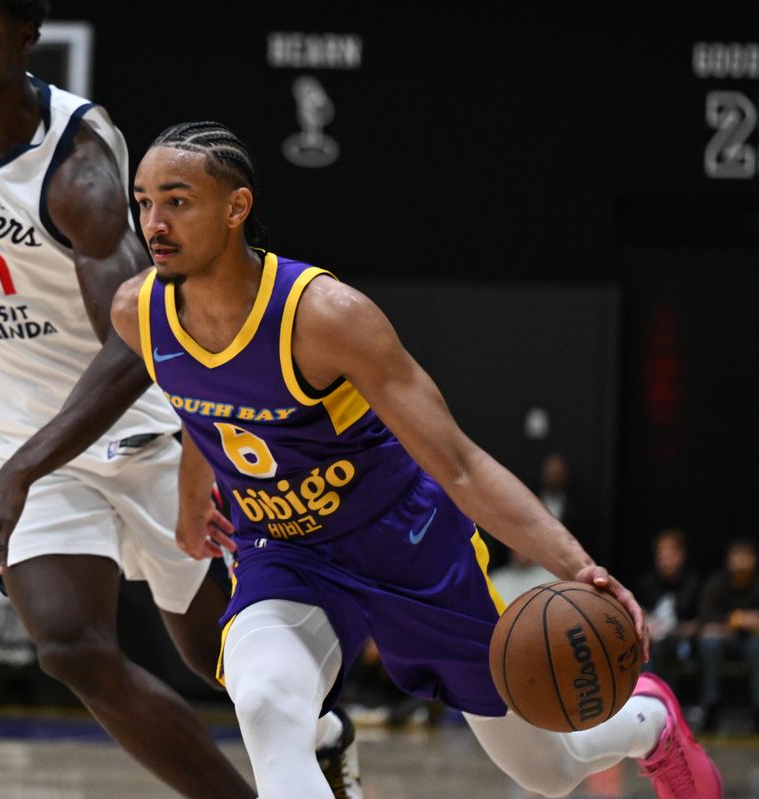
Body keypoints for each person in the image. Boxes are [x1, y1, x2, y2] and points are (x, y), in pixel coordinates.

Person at [0, 3, 358, 797]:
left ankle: (322, 730)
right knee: (70, 648)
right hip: (27, 443)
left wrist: (15, 476)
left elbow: (135, 348)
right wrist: (22, 466)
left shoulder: (78, 171)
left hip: (141, 433)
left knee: (211, 652)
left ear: (25, 39)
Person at [104, 119, 722, 799]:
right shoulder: (140, 311)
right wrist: (195, 498)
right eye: (142, 201)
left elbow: (459, 464)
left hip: (407, 545)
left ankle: (649, 718)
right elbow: (201, 403)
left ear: (236, 207)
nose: (153, 222)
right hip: (285, 549)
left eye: (176, 200)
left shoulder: (326, 317)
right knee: (265, 708)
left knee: (548, 769)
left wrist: (579, 567)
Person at [696, 537, 759, 733]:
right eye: (736, 556)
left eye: (745, 557)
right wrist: (737, 618)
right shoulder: (717, 583)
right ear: (729, 560)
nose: (741, 561)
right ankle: (710, 706)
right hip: (723, 639)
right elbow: (705, 617)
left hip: (751, 640)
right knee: (710, 643)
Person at [635, 528, 701, 694]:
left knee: (666, 646)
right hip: (651, 638)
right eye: (661, 555)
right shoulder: (647, 582)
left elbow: (701, 621)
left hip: (681, 640)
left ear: (681, 555)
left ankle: (668, 697)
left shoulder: (693, 583)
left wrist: (677, 630)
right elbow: (638, 611)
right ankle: (642, 694)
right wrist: (647, 623)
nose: (666, 560)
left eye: (671, 555)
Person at [489, 545, 558, 603]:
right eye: (516, 546)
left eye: (524, 547)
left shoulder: (552, 577)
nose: (520, 552)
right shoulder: (497, 579)